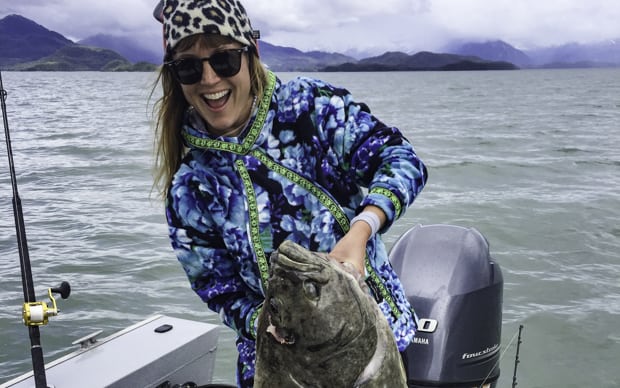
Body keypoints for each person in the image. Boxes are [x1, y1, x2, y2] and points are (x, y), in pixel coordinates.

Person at [152, 1, 428, 386]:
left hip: (373, 346)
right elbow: (217, 287)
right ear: (176, 77)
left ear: (251, 55)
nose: (210, 79)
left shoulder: (309, 108)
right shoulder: (189, 188)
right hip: (275, 367)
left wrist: (362, 229)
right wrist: (263, 323)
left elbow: (401, 159)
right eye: (189, 67)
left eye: (225, 60)